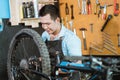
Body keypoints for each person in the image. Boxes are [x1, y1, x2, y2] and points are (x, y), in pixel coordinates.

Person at [38, 4, 82, 79]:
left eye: (48, 24)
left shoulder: (71, 38)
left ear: (57, 20)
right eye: (42, 24)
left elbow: (78, 64)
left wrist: (66, 69)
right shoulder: (45, 35)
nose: (45, 27)